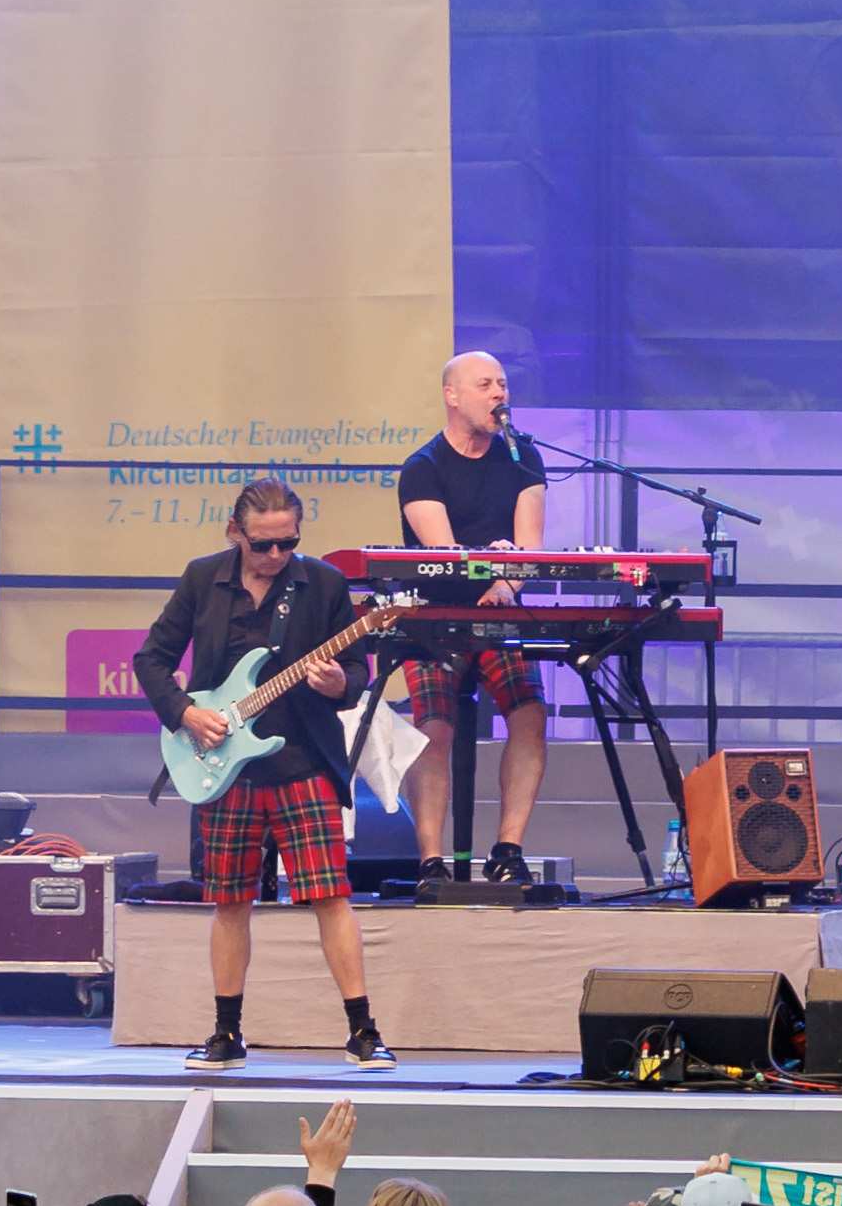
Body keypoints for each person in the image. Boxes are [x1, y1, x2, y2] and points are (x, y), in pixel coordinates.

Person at [129, 478, 393, 1076]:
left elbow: (356, 669)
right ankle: (226, 1032)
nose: (276, 557)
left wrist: (340, 685)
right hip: (226, 769)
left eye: (288, 544)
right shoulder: (204, 578)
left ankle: (363, 1032)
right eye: (264, 545)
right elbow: (152, 658)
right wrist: (185, 713)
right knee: (230, 902)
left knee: (331, 897)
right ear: (236, 533)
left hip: (301, 761)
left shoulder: (321, 583)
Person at [394, 356, 560, 889]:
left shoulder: (523, 457)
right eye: (484, 385)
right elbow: (443, 554)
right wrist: (489, 568)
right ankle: (430, 861)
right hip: (436, 618)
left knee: (530, 715)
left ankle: (508, 849)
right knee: (435, 729)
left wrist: (507, 583)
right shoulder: (423, 466)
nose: (498, 394)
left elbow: (530, 549)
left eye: (503, 384)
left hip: (498, 612)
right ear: (452, 395)